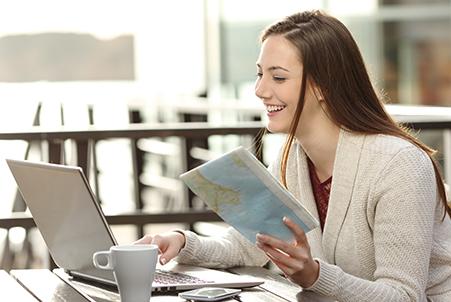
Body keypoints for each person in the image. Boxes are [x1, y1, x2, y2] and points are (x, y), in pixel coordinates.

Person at [135, 9, 451, 301]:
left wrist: (315, 276)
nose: (260, 90)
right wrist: (180, 241)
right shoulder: (290, 162)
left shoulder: (398, 165)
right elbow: (246, 249)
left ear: (323, 85)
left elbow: (404, 296)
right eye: (260, 74)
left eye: (278, 77)